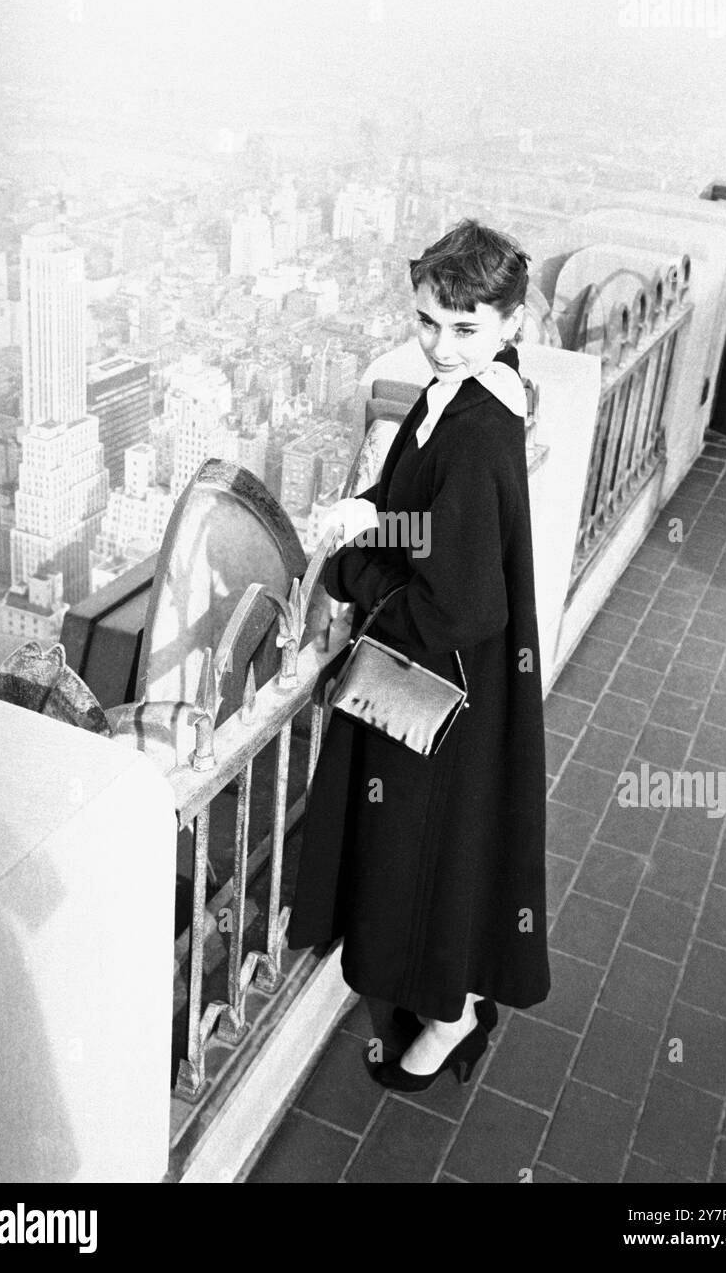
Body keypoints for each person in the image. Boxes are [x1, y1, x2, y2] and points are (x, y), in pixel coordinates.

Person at [286, 219, 550, 1092]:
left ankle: (449, 1015)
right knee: (451, 857)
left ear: (513, 321)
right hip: (466, 697)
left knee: (422, 862)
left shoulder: (472, 430)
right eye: (428, 321)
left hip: (436, 697)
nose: (440, 344)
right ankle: (451, 998)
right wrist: (377, 516)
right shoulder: (484, 396)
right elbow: (441, 527)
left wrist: (357, 566)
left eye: (465, 326)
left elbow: (459, 599)